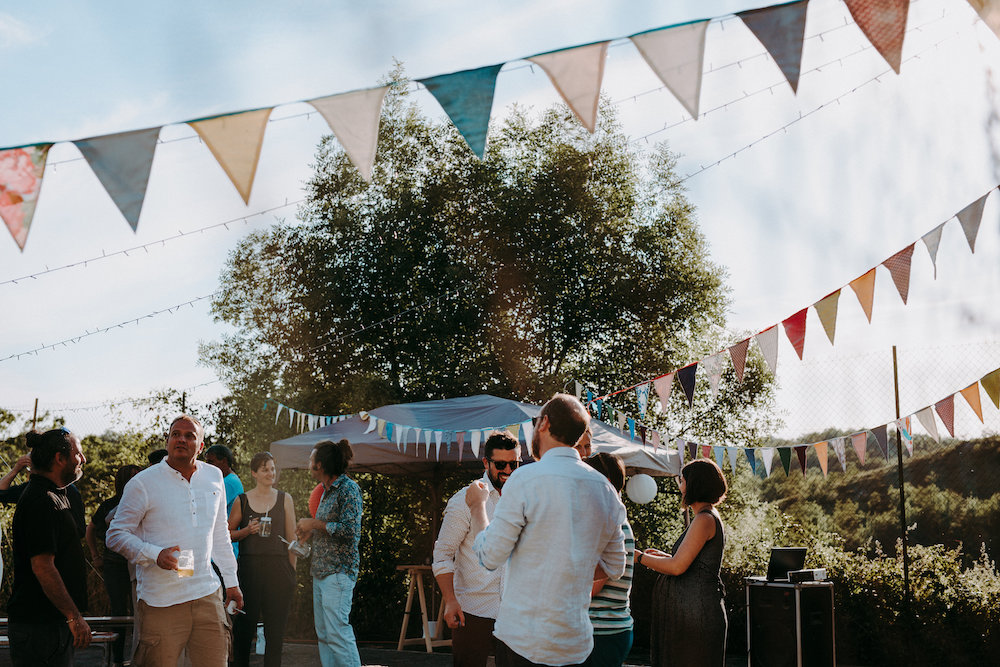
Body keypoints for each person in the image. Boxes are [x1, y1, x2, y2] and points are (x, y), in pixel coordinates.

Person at [467, 394, 626, 667]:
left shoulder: (524, 480)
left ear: (544, 423)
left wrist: (477, 507)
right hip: (575, 645)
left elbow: (490, 557)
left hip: (523, 642)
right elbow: (616, 566)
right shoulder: (605, 489)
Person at [106, 414, 243, 667]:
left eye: (189, 436)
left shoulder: (214, 476)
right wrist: (154, 554)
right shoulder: (143, 483)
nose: (181, 439)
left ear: (200, 446)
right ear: (167, 440)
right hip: (161, 601)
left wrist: (232, 583)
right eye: (175, 434)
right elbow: (115, 535)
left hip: (207, 594)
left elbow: (219, 534)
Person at [432, 431, 520, 667]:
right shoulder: (463, 500)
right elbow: (443, 555)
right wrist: (450, 600)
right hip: (473, 612)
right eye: (500, 465)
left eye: (514, 464)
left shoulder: (524, 500)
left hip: (515, 614)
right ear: (486, 463)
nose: (508, 470)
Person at [7, 428, 90, 667]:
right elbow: (43, 566)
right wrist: (73, 616)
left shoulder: (58, 494)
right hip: (39, 628)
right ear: (59, 458)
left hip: (53, 624)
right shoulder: (40, 499)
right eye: (78, 454)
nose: (83, 460)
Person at [637, 459, 728, 667]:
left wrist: (639, 557)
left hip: (697, 616)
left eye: (683, 481)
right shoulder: (704, 517)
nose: (680, 486)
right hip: (693, 614)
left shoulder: (704, 519)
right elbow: (693, 563)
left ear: (694, 485)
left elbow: (677, 567)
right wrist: (662, 557)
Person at [295, 439, 363, 667]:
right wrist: (311, 532)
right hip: (321, 571)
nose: (308, 463)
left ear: (320, 465)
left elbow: (350, 531)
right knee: (324, 635)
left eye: (311, 459)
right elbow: (330, 527)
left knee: (337, 633)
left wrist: (314, 524)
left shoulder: (348, 489)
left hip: (338, 572)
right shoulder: (325, 491)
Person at [228, 452, 297, 667]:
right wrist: (246, 531)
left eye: (273, 469)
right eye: (265, 469)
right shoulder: (242, 500)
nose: (270, 473)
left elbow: (292, 539)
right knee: (243, 630)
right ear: (254, 473)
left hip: (279, 569)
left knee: (275, 633)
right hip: (249, 569)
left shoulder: (285, 498)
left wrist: (292, 572)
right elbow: (227, 534)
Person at [86, 464, 142, 667]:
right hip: (114, 564)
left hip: (138, 564)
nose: (136, 480)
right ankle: (117, 659)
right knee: (118, 611)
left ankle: (138, 657)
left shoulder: (144, 500)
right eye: (132, 477)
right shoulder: (110, 505)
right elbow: (90, 529)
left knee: (140, 610)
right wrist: (95, 556)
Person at [583, 453, 634, 667]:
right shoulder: (614, 518)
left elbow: (593, 587)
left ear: (605, 482)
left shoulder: (607, 521)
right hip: (608, 631)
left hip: (602, 632)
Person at [1, 451, 86, 536]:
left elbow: (80, 530)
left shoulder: (70, 491)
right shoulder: (31, 488)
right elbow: (2, 494)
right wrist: (16, 469)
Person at [205, 444, 244, 558]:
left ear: (224, 461)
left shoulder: (230, 482)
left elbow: (208, 508)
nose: (207, 466)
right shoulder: (226, 480)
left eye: (211, 462)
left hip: (223, 551)